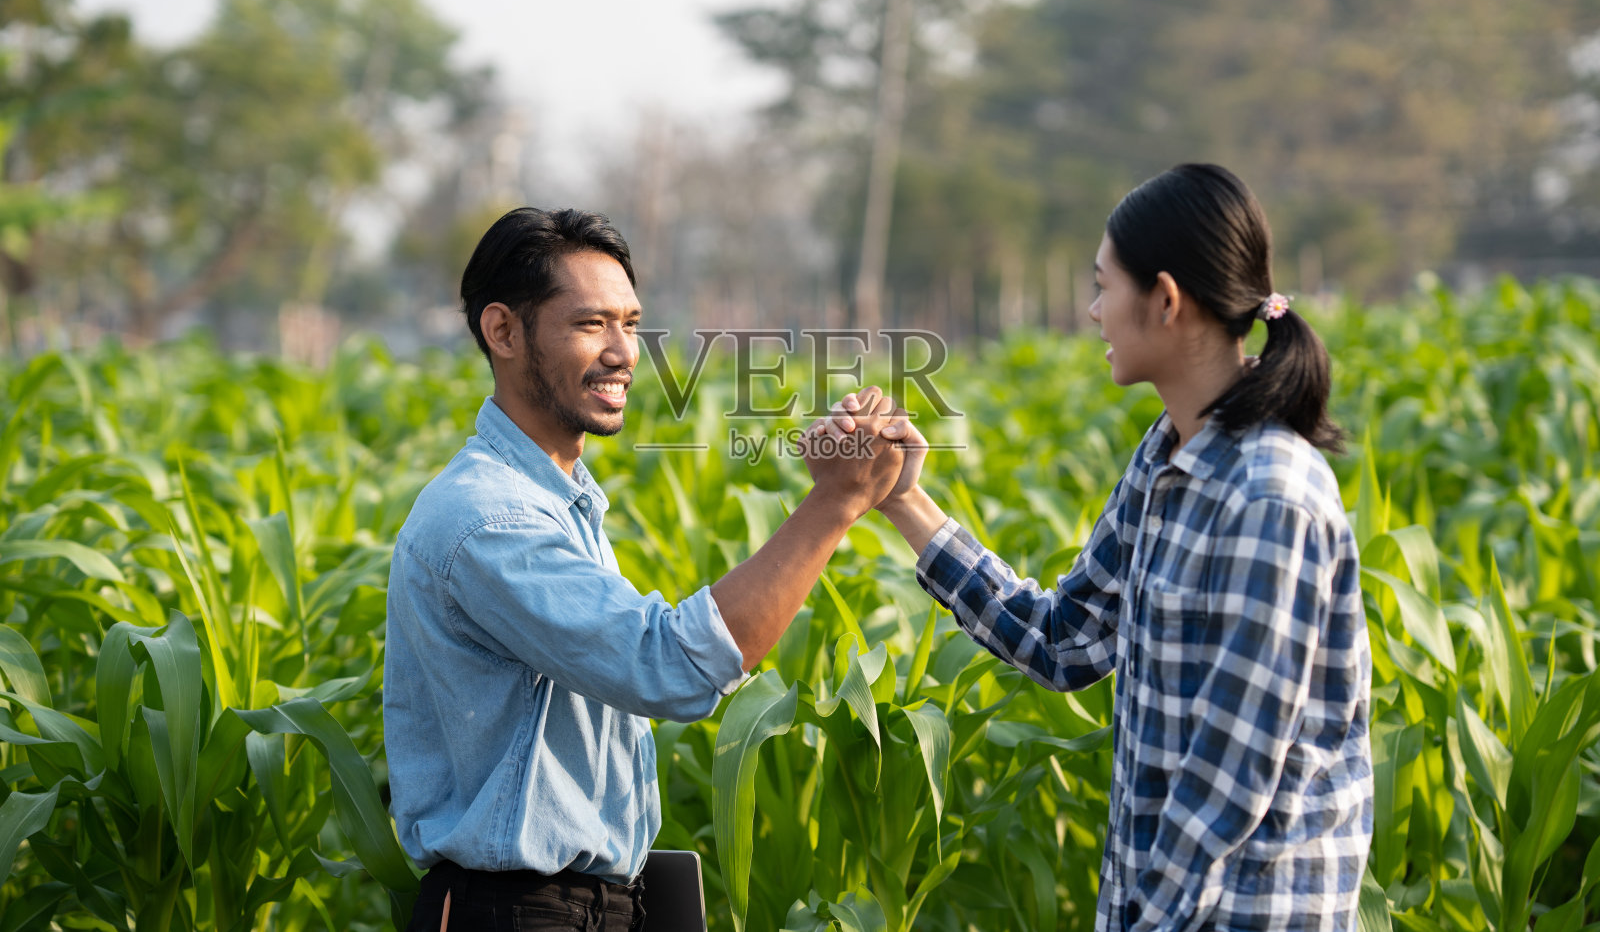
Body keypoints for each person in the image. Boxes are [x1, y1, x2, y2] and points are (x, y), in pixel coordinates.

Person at [830, 163, 1373, 930]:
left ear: (1165, 300)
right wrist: (902, 499)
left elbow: (1229, 780)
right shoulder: (1164, 458)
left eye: (1102, 285)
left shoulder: (1268, 496)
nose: (1091, 311)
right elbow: (1066, 640)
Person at [384, 206, 907, 931]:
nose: (624, 351)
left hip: (594, 906)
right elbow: (666, 665)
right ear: (502, 331)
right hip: (516, 914)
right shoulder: (489, 519)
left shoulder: (557, 502)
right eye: (591, 324)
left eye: (631, 323)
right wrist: (834, 504)